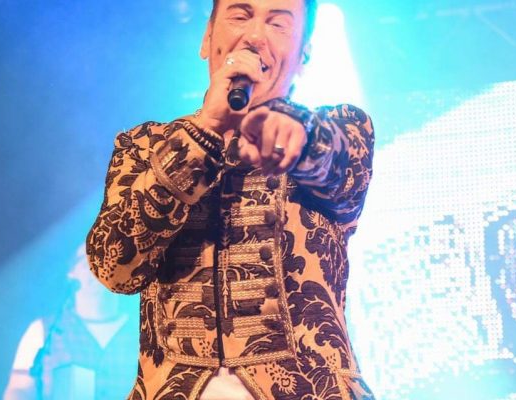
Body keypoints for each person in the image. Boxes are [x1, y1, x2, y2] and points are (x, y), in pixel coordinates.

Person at [85, 0, 376, 398]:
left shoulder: (341, 130)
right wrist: (203, 133)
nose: (255, 36)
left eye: (278, 24)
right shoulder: (144, 146)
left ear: (304, 55)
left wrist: (298, 132)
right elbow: (114, 268)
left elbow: (339, 167)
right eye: (240, 16)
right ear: (207, 38)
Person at [3, 245, 139, 400]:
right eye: (90, 259)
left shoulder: (147, 333)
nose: (100, 266)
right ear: (71, 271)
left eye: (109, 258)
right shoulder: (42, 331)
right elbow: (19, 389)